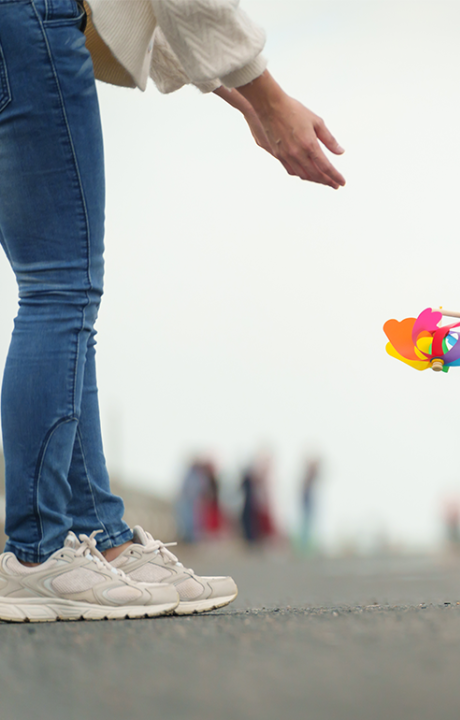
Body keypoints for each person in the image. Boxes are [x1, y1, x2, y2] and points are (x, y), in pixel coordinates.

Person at [0, 0, 343, 622]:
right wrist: (267, 97)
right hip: (29, 22)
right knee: (59, 289)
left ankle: (97, 536)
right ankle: (36, 553)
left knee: (61, 291)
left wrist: (245, 97)